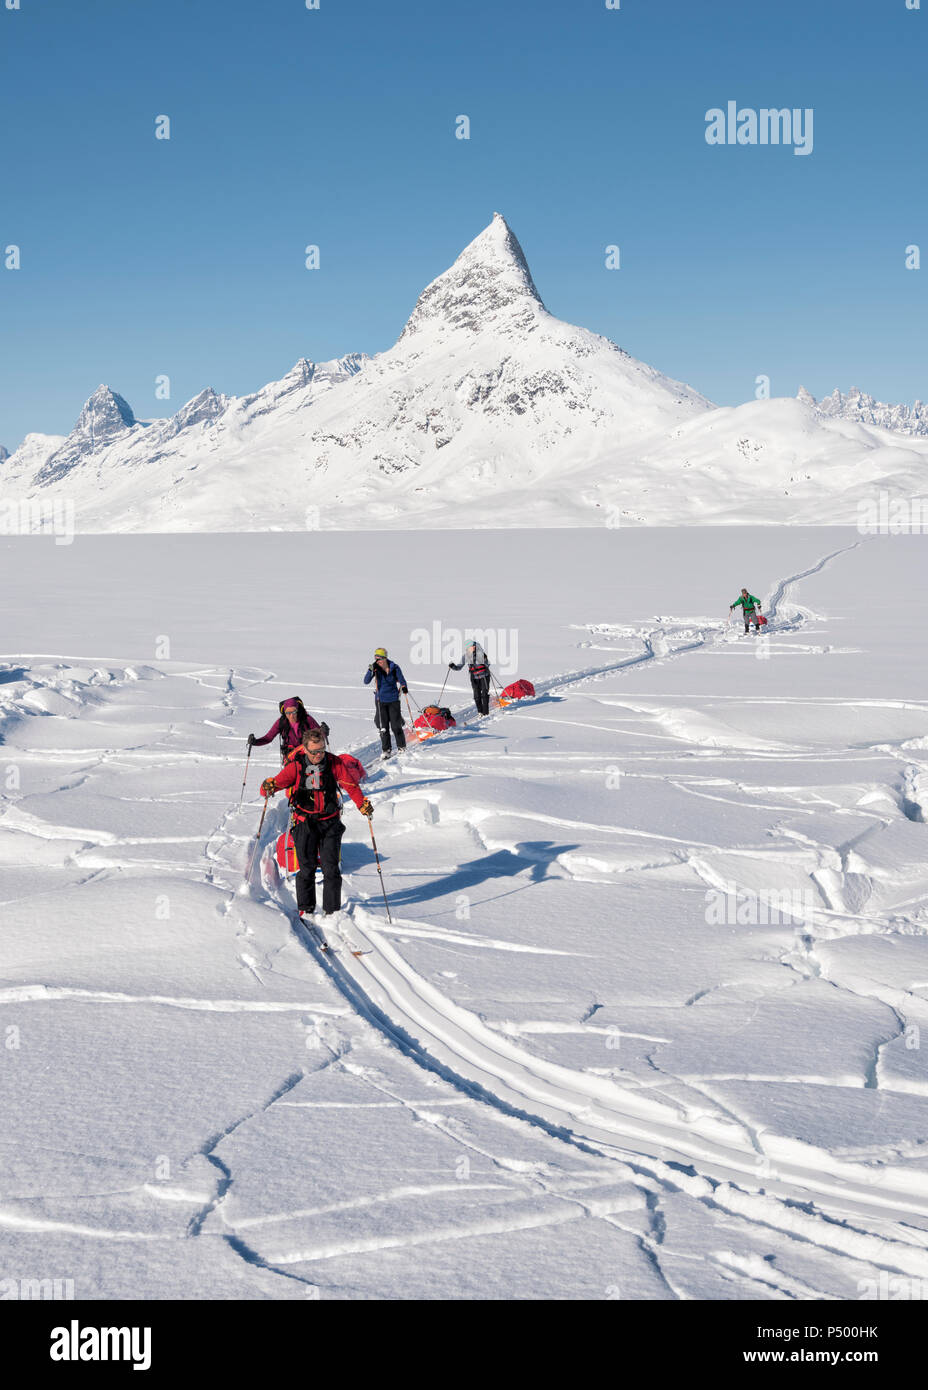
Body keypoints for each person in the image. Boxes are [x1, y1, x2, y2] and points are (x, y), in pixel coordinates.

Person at [260, 727, 373, 917]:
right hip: (304, 823)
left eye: (322, 750)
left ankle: (332, 911)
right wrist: (267, 787)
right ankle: (306, 909)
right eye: (314, 752)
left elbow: (351, 786)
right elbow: (276, 784)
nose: (319, 755)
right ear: (305, 749)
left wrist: (363, 805)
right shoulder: (296, 766)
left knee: (331, 869)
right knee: (306, 868)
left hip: (330, 823)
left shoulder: (334, 763)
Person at [248, 696, 329, 764]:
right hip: (290, 756)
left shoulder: (307, 719)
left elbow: (320, 735)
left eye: (294, 712)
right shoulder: (281, 722)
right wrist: (255, 742)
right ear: (284, 712)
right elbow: (268, 738)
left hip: (307, 754)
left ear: (298, 710)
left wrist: (324, 731)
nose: (291, 716)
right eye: (288, 713)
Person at [363, 648, 409, 759]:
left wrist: (404, 687)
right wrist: (370, 670)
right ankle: (386, 750)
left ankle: (401, 747)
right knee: (383, 727)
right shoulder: (375, 669)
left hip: (393, 700)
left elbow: (402, 679)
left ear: (385, 658)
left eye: (379, 658)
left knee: (395, 726)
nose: (377, 660)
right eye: (375, 658)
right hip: (380, 701)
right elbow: (366, 681)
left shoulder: (394, 667)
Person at [449, 639, 492, 715]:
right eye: (470, 647)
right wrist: (453, 666)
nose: (472, 648)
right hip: (474, 678)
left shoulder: (481, 653)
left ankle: (486, 713)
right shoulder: (465, 656)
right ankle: (480, 712)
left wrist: (484, 659)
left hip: (484, 676)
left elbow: (488, 664)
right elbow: (459, 667)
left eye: (473, 646)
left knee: (484, 695)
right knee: (477, 696)